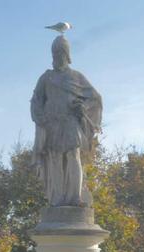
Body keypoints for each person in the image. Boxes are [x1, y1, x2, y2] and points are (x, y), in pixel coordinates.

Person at [31, 35, 102, 207]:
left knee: (73, 156)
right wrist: (41, 118)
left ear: (67, 54)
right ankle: (57, 199)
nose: (57, 57)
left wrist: (82, 106)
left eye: (61, 53)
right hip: (52, 124)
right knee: (55, 158)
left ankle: (75, 197)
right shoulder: (46, 78)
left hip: (70, 122)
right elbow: (36, 100)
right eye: (55, 53)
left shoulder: (76, 77)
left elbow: (95, 98)